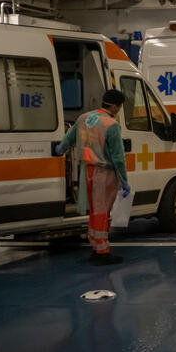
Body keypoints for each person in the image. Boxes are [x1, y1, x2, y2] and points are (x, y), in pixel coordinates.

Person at [56, 89, 130, 265]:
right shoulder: (111, 125)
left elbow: (68, 139)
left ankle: (96, 246)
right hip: (104, 173)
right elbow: (118, 158)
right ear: (114, 106)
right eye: (119, 107)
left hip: (86, 172)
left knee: (94, 212)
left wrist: (59, 150)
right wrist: (125, 181)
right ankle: (102, 251)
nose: (118, 111)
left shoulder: (83, 118)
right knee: (102, 212)